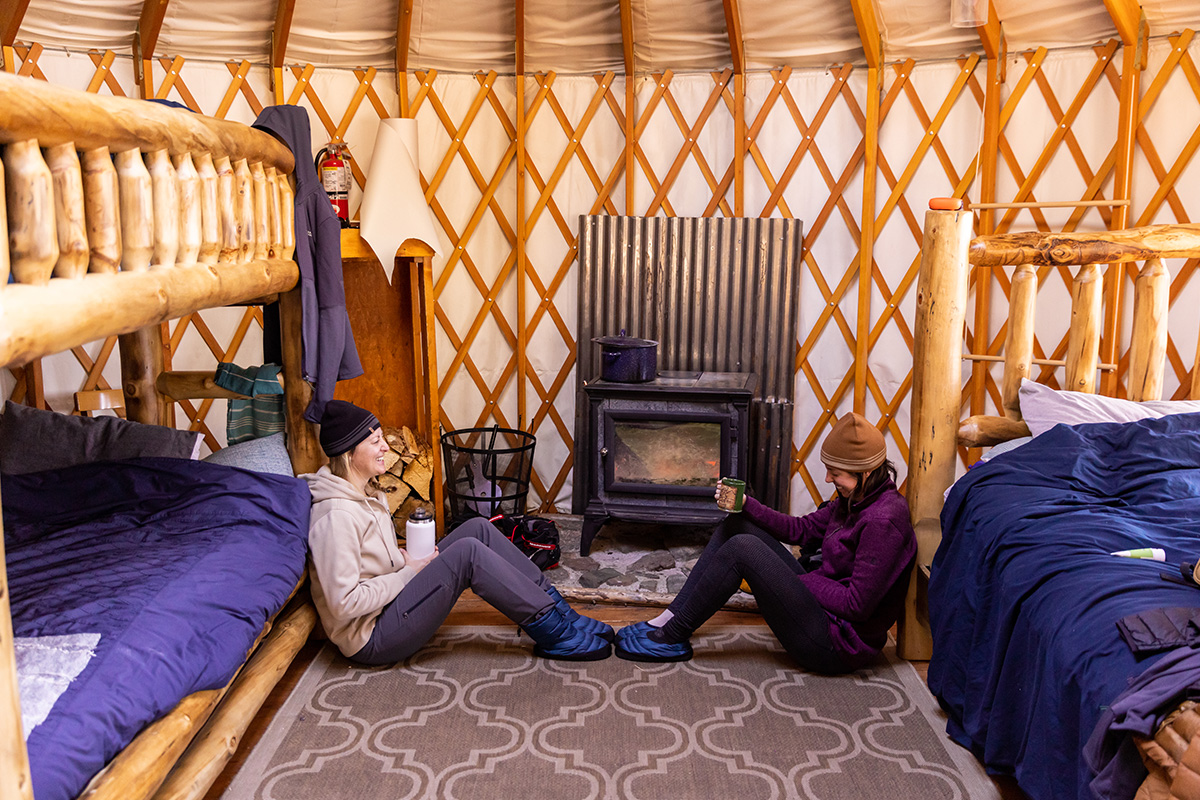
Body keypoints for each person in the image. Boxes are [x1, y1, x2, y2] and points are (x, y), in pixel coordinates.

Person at [303, 400, 612, 664]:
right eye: (374, 442)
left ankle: (559, 612)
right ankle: (554, 632)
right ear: (348, 453)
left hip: (391, 605)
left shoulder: (369, 493)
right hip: (372, 637)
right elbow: (344, 605)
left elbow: (369, 565)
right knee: (467, 555)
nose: (386, 446)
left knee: (476, 528)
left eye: (382, 437)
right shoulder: (335, 516)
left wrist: (401, 563)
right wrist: (407, 573)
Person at [615, 412, 916, 673]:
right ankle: (670, 618)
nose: (827, 480)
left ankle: (672, 636)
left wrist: (799, 582)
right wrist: (746, 504)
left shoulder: (882, 522)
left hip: (835, 644)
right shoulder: (856, 497)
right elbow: (801, 530)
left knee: (742, 550)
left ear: (864, 472)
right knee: (736, 524)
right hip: (820, 609)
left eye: (835, 474)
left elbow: (857, 605)